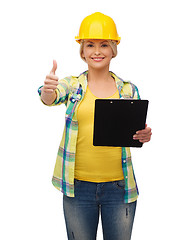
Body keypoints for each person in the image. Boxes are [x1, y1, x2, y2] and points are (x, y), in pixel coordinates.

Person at [38, 12, 152, 240]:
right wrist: (48, 90)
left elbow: (137, 130)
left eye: (104, 45)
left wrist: (144, 134)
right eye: (90, 45)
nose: (97, 51)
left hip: (119, 188)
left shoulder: (128, 90)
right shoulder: (72, 85)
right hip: (78, 188)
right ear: (82, 50)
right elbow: (50, 97)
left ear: (113, 49)